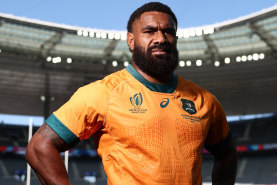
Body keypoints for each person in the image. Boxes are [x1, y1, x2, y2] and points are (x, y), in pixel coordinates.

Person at [26, 2, 237, 185]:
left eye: (168, 31)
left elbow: (227, 153)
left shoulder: (205, 100)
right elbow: (39, 147)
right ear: (131, 40)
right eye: (149, 31)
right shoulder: (103, 93)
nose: (161, 38)